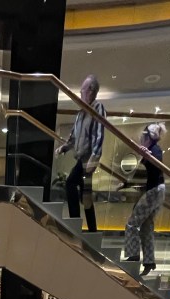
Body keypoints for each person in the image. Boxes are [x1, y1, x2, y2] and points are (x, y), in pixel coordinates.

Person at [57, 74, 105, 232]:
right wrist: (63, 148)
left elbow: (99, 134)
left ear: (91, 91)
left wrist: (94, 157)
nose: (80, 93)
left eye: (82, 90)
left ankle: (77, 225)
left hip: (88, 160)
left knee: (71, 183)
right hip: (81, 160)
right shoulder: (81, 113)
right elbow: (73, 137)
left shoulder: (98, 108)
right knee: (86, 196)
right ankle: (90, 231)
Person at [124, 122, 167, 275]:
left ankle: (133, 255)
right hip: (157, 190)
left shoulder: (154, 150)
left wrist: (147, 155)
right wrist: (125, 183)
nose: (141, 139)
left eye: (143, 136)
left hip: (154, 190)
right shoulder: (152, 151)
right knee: (146, 226)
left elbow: (156, 165)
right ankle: (149, 262)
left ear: (148, 137)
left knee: (132, 224)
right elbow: (141, 174)